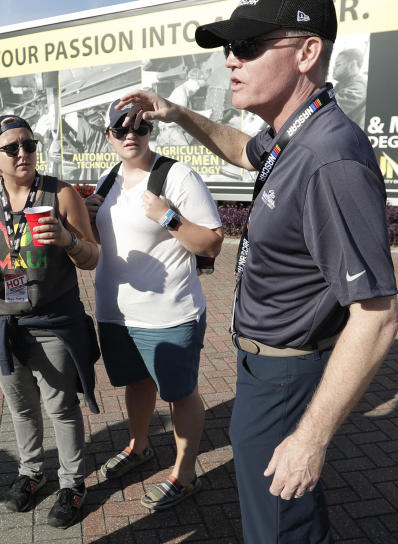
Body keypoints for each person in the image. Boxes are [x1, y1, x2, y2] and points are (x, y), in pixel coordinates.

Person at [115, 0, 398, 543]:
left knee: (278, 529)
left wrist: (310, 438)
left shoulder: (328, 157)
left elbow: (377, 315)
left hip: (289, 374)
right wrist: (175, 113)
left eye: (246, 46)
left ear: (307, 52)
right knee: (282, 521)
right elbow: (244, 150)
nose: (230, 60)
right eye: (227, 48)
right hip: (265, 368)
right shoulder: (294, 131)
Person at [0, 114, 101, 529]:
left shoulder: (60, 194)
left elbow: (93, 257)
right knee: (20, 407)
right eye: (12, 148)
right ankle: (31, 472)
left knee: (61, 407)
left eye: (29, 144)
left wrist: (68, 240)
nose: (23, 153)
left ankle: (73, 484)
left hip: (51, 324)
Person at [85, 100, 223, 509]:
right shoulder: (107, 180)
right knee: (137, 383)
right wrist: (89, 215)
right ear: (108, 135)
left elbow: (213, 244)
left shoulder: (175, 176)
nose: (131, 135)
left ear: (151, 130)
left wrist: (170, 219)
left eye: (140, 127)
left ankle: (184, 474)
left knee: (180, 395)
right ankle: (138, 446)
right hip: (117, 314)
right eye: (121, 128)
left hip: (169, 315)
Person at [332, 48, 368, 129]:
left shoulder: (358, 87)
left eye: (338, 64)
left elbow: (328, 110)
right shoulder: (342, 85)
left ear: (352, 65)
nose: (333, 68)